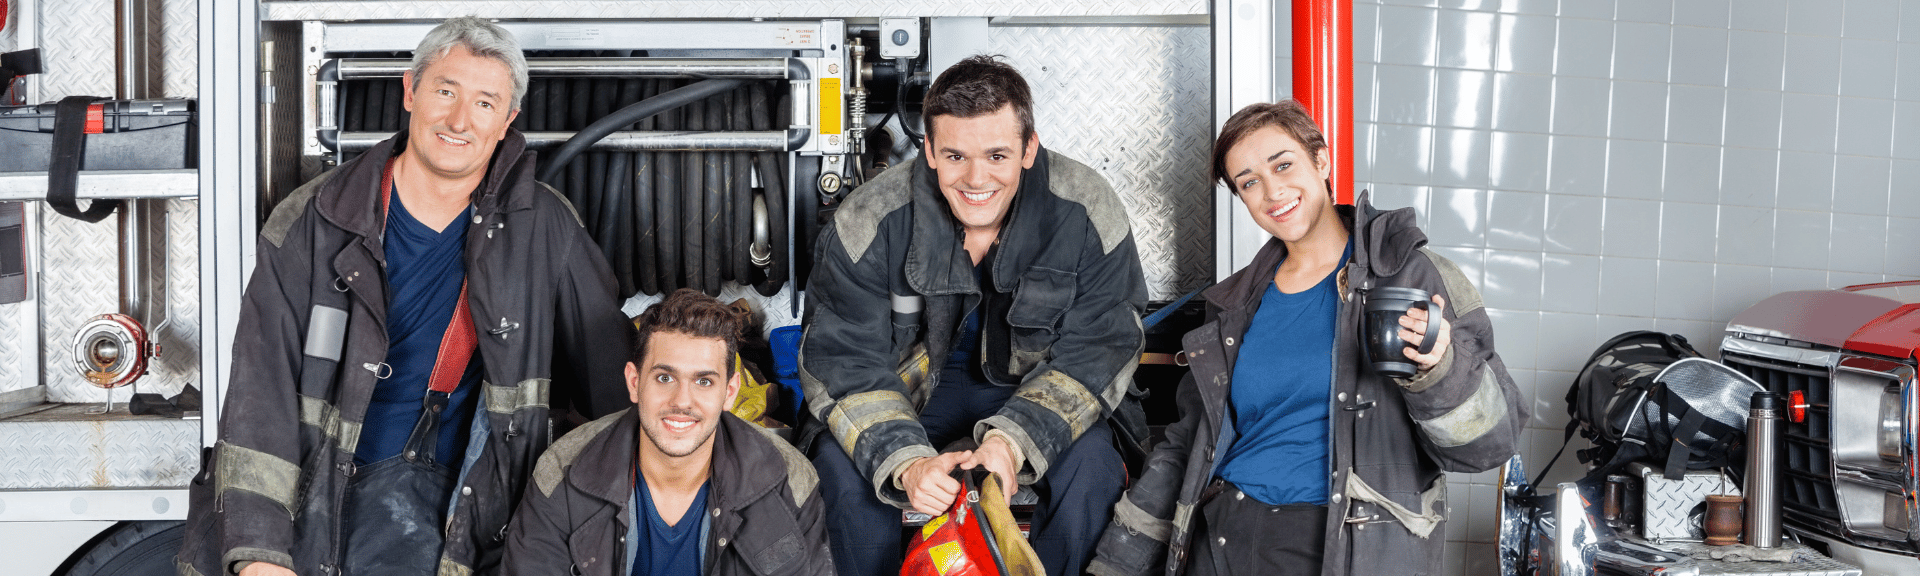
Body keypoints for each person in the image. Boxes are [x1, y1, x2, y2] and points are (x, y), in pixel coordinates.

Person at [177, 16, 633, 576]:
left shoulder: (547, 231)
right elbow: (259, 393)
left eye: (485, 103)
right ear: (409, 91)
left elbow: (612, 396)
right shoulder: (314, 220)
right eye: (445, 91)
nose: (460, 120)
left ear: (508, 120)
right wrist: (258, 553)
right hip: (308, 518)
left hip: (466, 529)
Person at [1088, 100, 1527, 576]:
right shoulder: (1234, 307)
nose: (1272, 191)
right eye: (1249, 182)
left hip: (1335, 544)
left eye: (1283, 164)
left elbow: (1488, 448)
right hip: (1220, 539)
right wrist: (1116, 563)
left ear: (1321, 160)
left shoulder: (1411, 276)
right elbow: (1186, 447)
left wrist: (1438, 369)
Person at [799, 54, 1148, 576]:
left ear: (1029, 149)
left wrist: (1013, 441)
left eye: (997, 155)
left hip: (1034, 386)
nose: (976, 178)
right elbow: (843, 360)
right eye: (955, 156)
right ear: (930, 152)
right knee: (841, 470)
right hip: (907, 393)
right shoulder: (867, 221)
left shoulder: (1087, 210)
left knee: (1093, 466)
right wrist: (906, 463)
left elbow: (1101, 348)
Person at [501, 288, 833, 576]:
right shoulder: (563, 472)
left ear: (730, 392)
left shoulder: (790, 482)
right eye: (664, 377)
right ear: (634, 382)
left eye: (704, 381)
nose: (681, 401)